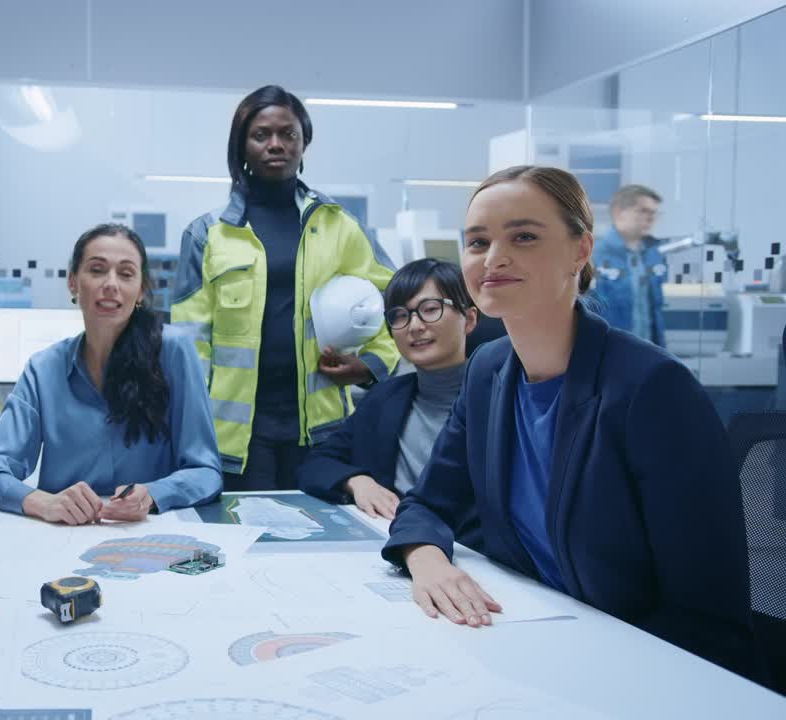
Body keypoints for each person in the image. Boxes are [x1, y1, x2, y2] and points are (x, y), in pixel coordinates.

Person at [381, 166, 756, 678]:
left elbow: (708, 617)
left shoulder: (652, 389)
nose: (493, 258)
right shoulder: (488, 372)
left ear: (580, 251)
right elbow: (428, 502)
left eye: (524, 237)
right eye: (477, 241)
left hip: (636, 665)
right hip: (532, 637)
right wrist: (427, 561)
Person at [171, 85, 400, 491]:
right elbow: (189, 342)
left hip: (322, 427)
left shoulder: (337, 226)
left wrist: (374, 365)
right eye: (261, 134)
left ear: (303, 142)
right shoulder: (208, 234)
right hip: (234, 433)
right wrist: (192, 427)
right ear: (241, 145)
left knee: (320, 544)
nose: (275, 144)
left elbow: (395, 299)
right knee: (243, 542)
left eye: (288, 133)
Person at [0, 224, 221, 524]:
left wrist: (153, 494)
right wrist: (43, 502)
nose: (111, 284)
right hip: (63, 536)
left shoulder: (174, 352)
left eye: (126, 274)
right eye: (97, 270)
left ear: (140, 291)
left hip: (149, 537)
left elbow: (206, 472)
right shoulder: (43, 369)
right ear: (73, 283)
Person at [299, 259, 478, 520]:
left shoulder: (500, 402)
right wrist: (359, 482)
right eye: (400, 316)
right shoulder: (385, 398)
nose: (414, 326)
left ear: (469, 319)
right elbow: (315, 465)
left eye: (430, 309)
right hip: (390, 540)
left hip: (470, 552)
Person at [592, 184, 667, 346]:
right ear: (619, 212)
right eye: (643, 211)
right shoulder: (594, 255)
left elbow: (655, 311)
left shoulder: (654, 255)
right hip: (610, 352)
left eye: (654, 213)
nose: (651, 219)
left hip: (650, 351)